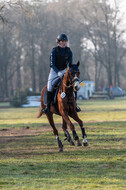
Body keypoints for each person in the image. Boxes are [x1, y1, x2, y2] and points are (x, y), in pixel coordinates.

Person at [44, 33, 81, 113]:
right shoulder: (54, 51)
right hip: (54, 71)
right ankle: (48, 106)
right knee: (49, 87)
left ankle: (75, 105)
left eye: (65, 41)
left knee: (73, 85)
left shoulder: (68, 51)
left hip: (65, 70)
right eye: (62, 41)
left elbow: (70, 64)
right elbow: (52, 64)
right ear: (59, 42)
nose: (64, 43)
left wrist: (68, 72)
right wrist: (58, 72)